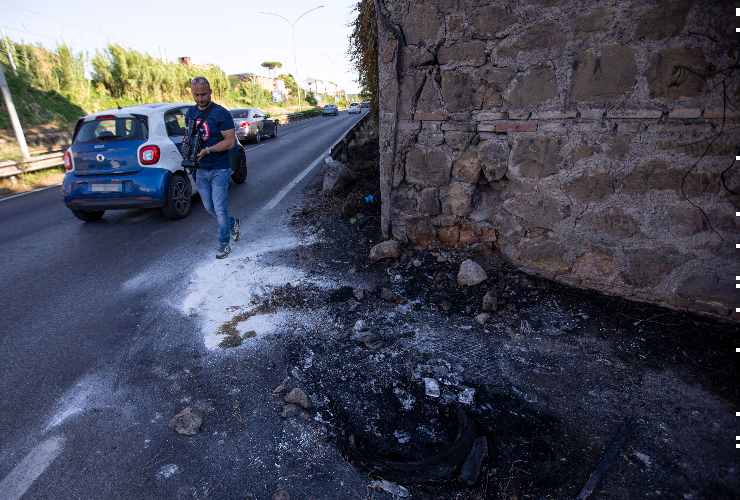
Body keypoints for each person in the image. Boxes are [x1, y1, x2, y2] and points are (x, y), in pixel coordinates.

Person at [186, 76, 240, 259]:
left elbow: (230, 142)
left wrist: (208, 150)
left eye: (203, 94)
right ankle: (233, 224)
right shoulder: (190, 113)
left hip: (219, 168)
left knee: (220, 208)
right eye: (196, 95)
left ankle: (224, 244)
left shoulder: (221, 114)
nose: (200, 99)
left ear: (210, 92)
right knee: (209, 207)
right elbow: (190, 137)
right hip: (200, 170)